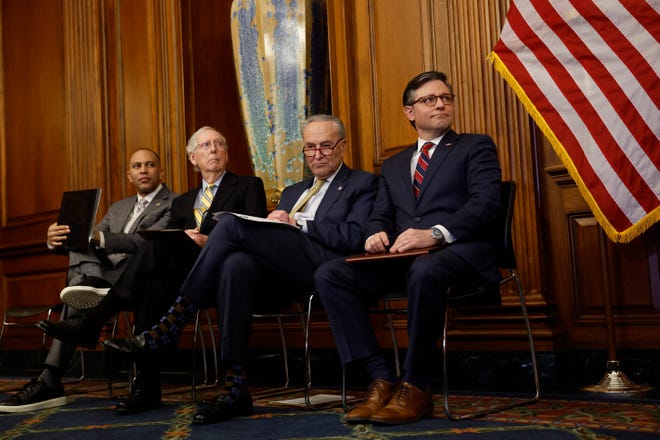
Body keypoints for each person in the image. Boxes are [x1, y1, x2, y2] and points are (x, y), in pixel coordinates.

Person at [103, 114, 379, 425]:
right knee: (235, 264)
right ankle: (236, 387)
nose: (316, 154)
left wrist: (298, 222)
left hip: (321, 269)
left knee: (230, 222)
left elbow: (357, 236)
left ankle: (173, 320)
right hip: (275, 273)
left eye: (325, 147)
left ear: (342, 147)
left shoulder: (363, 182)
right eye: (309, 148)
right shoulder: (292, 191)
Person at [36, 126, 268, 414]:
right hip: (183, 273)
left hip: (225, 271)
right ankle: (146, 388)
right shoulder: (184, 201)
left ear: (227, 153)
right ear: (193, 158)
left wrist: (211, 240)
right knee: (152, 278)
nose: (213, 149)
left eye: (219, 144)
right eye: (205, 145)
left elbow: (256, 235)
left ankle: (93, 323)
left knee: (153, 251)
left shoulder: (248, 186)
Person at [314, 71, 502, 425]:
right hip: (405, 258)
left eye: (446, 97)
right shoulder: (395, 164)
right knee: (331, 273)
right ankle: (380, 378)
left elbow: (485, 205)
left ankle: (415, 383)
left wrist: (435, 233)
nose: (441, 104)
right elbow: (380, 215)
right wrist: (374, 234)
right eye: (429, 99)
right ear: (409, 112)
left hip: (461, 251)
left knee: (425, 270)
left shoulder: (474, 146)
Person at [0, 148, 175, 413]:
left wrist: (98, 239)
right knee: (78, 262)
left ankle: (50, 379)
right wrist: (55, 239)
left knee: (78, 285)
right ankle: (90, 284)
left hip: (138, 277)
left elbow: (147, 243)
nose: (143, 170)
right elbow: (88, 239)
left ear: (161, 171)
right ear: (129, 174)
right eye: (137, 166)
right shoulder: (119, 207)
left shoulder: (174, 203)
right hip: (104, 274)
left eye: (149, 165)